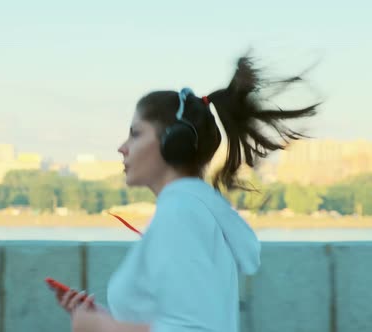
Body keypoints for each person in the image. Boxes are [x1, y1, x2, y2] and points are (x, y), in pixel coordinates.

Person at [53, 55, 320, 331]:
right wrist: (104, 318)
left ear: (174, 142)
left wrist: (100, 328)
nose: (122, 147)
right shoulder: (188, 210)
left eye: (135, 133)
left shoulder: (182, 214)